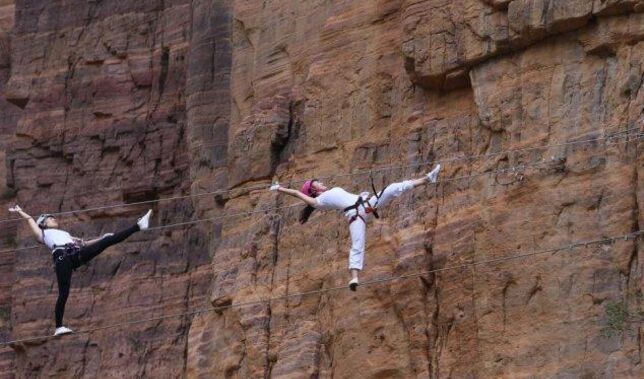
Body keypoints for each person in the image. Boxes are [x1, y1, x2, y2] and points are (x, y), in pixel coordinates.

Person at [270, 164, 441, 291]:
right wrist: (280, 189)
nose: (322, 183)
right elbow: (297, 194)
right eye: (317, 184)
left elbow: (349, 197)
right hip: (354, 215)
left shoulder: (330, 192)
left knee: (393, 188)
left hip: (366, 203)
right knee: (357, 244)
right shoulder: (318, 202)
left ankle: (427, 178)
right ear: (313, 191)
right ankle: (354, 277)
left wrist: (363, 197)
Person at [7, 205, 153, 336]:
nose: (54, 219)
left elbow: (84, 243)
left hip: (76, 255)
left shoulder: (65, 234)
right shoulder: (42, 234)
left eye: (53, 218)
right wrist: (20, 211)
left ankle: (138, 226)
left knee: (108, 241)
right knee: (64, 292)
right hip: (62, 257)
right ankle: (59, 327)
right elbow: (30, 219)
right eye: (50, 219)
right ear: (43, 224)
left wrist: (101, 238)